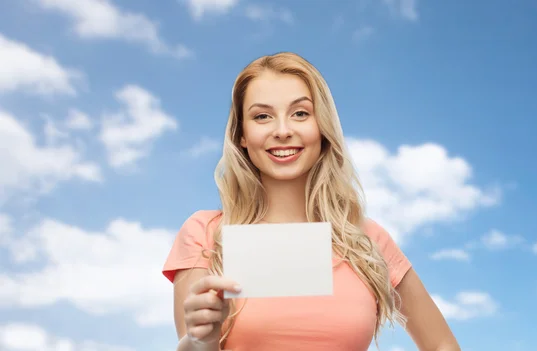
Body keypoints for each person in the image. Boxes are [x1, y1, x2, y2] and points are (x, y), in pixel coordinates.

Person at [162, 52, 460, 351]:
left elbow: (442, 345)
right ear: (241, 134)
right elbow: (192, 345)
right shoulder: (206, 234)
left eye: (300, 113)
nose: (282, 131)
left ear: (322, 126)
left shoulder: (366, 240)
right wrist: (202, 340)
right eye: (262, 116)